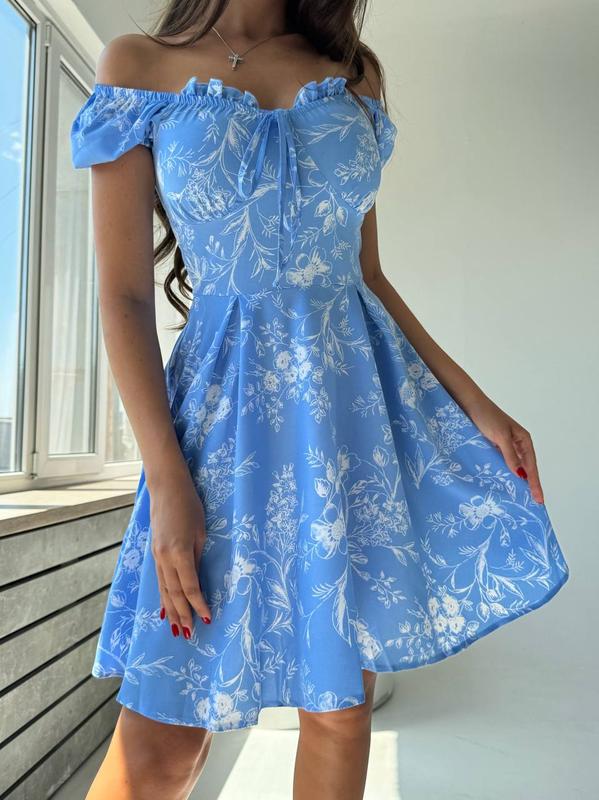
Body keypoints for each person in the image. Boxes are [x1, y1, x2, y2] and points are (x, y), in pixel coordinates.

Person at [70, 1, 570, 797]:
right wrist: (166, 478)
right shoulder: (137, 67)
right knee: (166, 734)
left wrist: (475, 402)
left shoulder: (351, 74)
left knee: (339, 712)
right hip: (219, 427)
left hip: (349, 418)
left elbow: (367, 276)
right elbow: (123, 296)